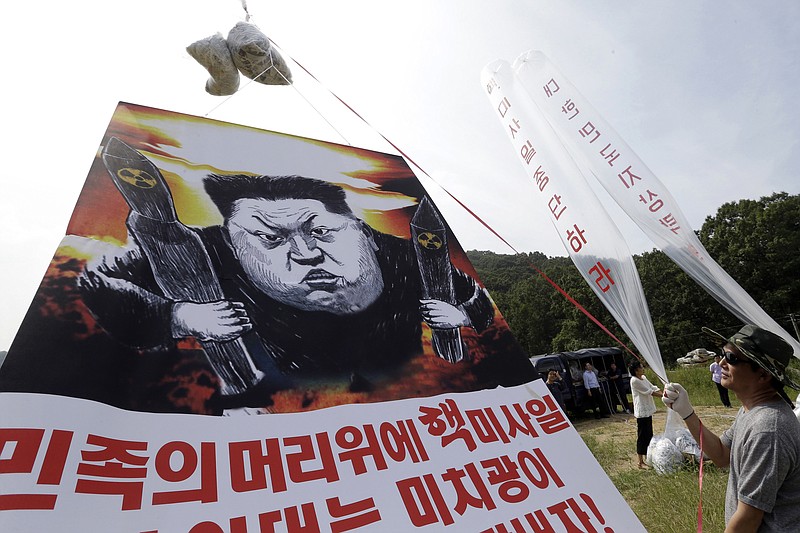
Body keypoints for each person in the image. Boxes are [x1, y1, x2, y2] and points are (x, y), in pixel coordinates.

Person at [79, 173, 498, 396]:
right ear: (232, 242)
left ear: (363, 230)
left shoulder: (405, 255)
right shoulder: (201, 249)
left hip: (413, 404)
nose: (305, 253)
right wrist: (179, 315)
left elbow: (478, 301)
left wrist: (463, 313)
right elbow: (95, 280)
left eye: (321, 231)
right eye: (271, 239)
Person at [663, 325, 800, 531]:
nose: (721, 363)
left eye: (732, 358)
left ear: (763, 375)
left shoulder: (768, 429)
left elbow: (748, 518)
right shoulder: (751, 411)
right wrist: (687, 413)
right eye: (722, 355)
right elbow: (721, 455)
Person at [629, 360, 661, 469]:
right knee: (642, 436)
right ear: (636, 370)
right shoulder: (634, 381)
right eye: (641, 367)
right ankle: (640, 462)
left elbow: (653, 387)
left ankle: (649, 457)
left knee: (649, 434)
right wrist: (663, 396)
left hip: (648, 410)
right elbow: (649, 392)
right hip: (641, 412)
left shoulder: (644, 378)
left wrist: (665, 391)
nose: (643, 369)